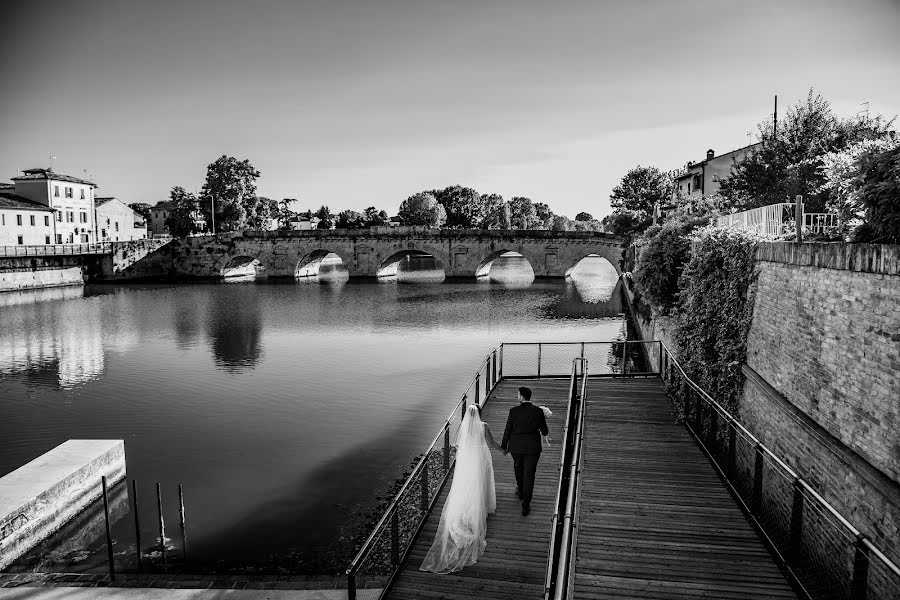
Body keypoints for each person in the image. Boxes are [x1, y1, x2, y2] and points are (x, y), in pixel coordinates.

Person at [420, 404, 502, 574]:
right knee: (481, 482)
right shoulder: (484, 426)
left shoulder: (463, 426)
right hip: (481, 457)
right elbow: (491, 442)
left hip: (468, 459)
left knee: (468, 484)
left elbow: (458, 445)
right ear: (480, 413)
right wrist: (503, 450)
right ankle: (482, 508)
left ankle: (469, 509)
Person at [500, 386, 548, 516]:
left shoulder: (513, 411)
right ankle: (526, 505)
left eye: (518, 394)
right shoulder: (538, 412)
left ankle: (520, 491)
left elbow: (507, 430)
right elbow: (545, 431)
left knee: (518, 468)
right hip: (533, 448)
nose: (517, 396)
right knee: (530, 475)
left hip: (516, 447)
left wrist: (504, 445)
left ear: (521, 396)